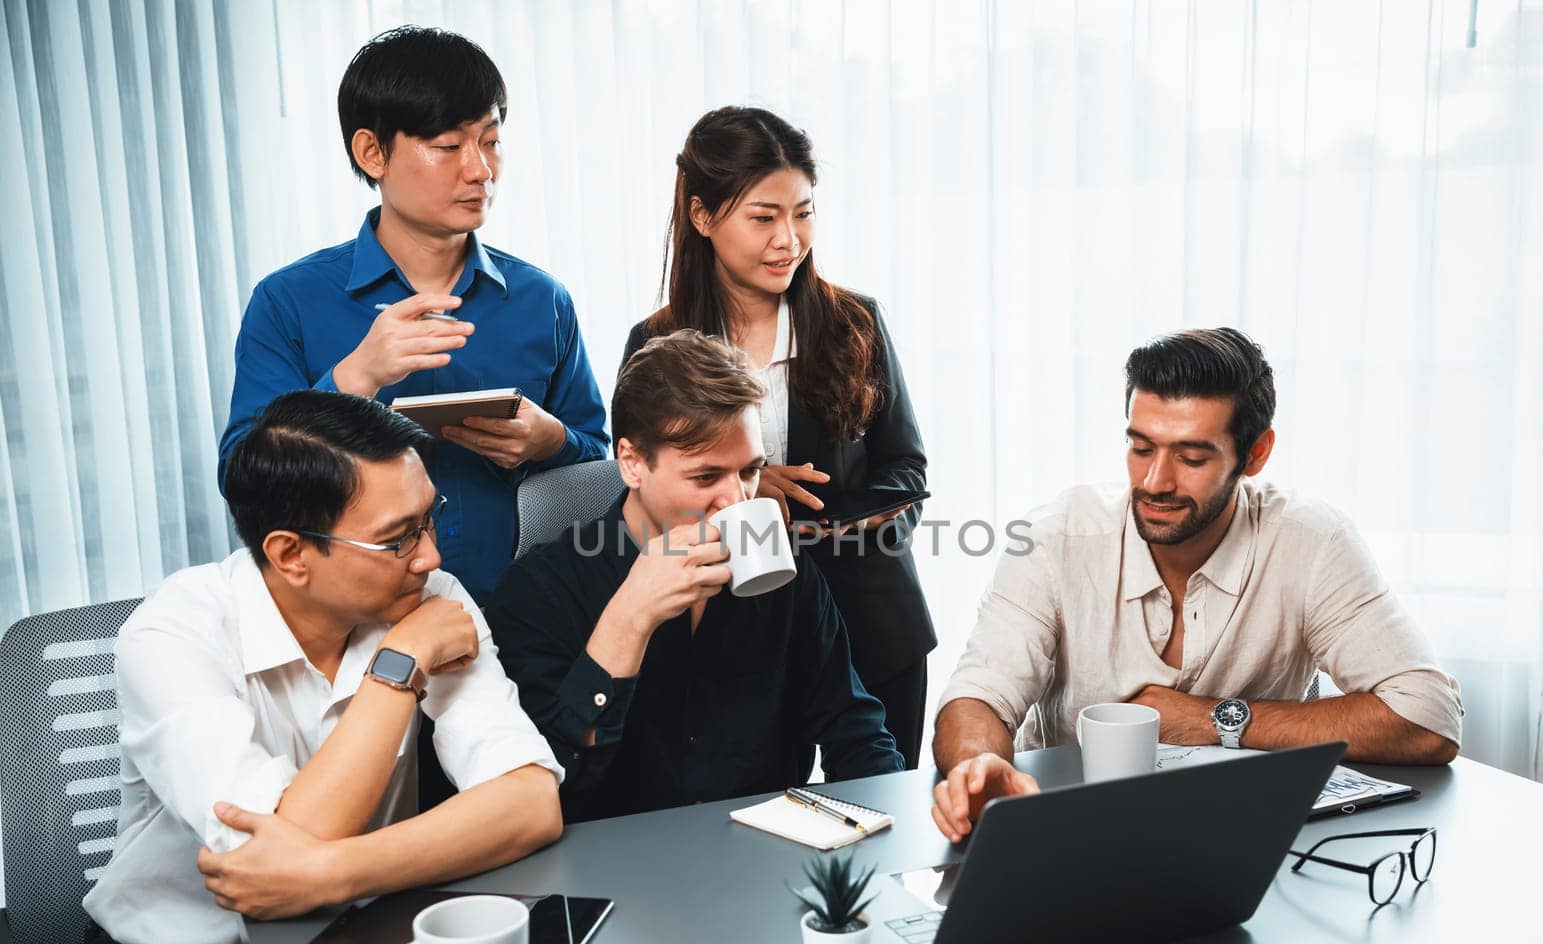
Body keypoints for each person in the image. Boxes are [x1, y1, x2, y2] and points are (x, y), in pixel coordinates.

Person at [39, 391, 565, 944]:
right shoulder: (172, 631)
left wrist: (334, 873)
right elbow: (282, 848)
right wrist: (397, 667)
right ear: (290, 554)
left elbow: (529, 801)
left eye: (429, 519)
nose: (430, 557)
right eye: (397, 537)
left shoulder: (431, 598)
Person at [929, 328, 1465, 843]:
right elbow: (977, 698)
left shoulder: (1311, 542)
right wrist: (981, 767)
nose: (1155, 481)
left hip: (1246, 842)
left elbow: (1427, 716)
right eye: (1140, 448)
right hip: (1074, 834)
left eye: (1191, 458)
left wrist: (1212, 719)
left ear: (1255, 453)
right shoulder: (1056, 536)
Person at [218, 25, 608, 606]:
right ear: (372, 152)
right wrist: (356, 377)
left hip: (518, 624)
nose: (481, 170)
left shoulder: (541, 299)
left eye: (491, 141)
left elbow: (598, 468)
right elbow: (244, 480)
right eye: (449, 146)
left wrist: (550, 441)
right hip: (351, 631)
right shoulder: (288, 301)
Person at [622, 107, 936, 767]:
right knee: (764, 824)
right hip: (743, 629)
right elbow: (640, 485)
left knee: (884, 813)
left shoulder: (856, 321)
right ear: (703, 216)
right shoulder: (657, 342)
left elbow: (907, 470)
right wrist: (746, 483)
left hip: (875, 622)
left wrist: (826, 524)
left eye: (803, 212)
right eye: (764, 217)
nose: (789, 239)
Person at [487, 329, 904, 822]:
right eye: (706, 477)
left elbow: (853, 731)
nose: (737, 500)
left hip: (761, 858)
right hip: (613, 866)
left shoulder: (780, 566)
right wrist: (629, 617)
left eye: (749, 471)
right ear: (632, 463)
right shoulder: (538, 589)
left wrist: (885, 831)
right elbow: (551, 788)